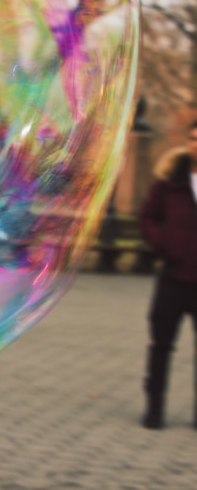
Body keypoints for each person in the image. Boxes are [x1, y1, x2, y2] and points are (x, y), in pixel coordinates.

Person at [139, 120, 197, 430]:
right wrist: (164, 245)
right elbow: (147, 217)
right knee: (160, 346)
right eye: (193, 139)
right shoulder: (168, 184)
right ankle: (154, 409)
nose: (196, 144)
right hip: (173, 278)